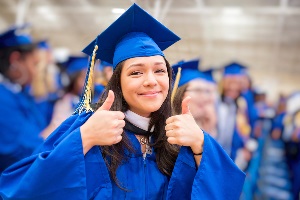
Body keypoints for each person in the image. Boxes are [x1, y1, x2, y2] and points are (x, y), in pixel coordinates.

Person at [0, 4, 245, 199]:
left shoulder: (182, 133)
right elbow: (22, 189)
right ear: (117, 82)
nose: (151, 81)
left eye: (160, 71)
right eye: (136, 72)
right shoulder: (87, 126)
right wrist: (84, 139)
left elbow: (226, 189)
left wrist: (201, 146)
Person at [0, 25, 48, 173]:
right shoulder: (3, 99)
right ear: (15, 60)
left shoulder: (17, 93)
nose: (36, 73)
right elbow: (26, 150)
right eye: (34, 64)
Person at [40, 55, 89, 139]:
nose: (87, 83)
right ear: (73, 79)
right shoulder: (64, 102)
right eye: (83, 78)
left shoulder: (92, 100)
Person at [171, 59, 218, 138]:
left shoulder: (204, 125)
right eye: (198, 90)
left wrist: (209, 130)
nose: (206, 97)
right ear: (180, 95)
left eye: (206, 91)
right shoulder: (170, 129)